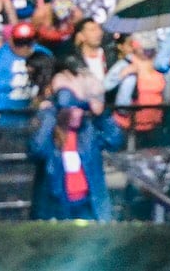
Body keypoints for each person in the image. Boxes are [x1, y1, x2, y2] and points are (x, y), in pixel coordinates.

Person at [27, 73, 122, 221]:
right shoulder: (49, 133)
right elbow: (37, 150)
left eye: (81, 108)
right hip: (57, 207)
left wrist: (103, 115)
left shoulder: (87, 131)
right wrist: (49, 114)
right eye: (73, 108)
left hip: (88, 204)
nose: (78, 113)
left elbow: (114, 140)